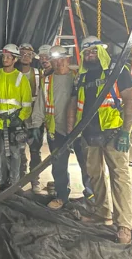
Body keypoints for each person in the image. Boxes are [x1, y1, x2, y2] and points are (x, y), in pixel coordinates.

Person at [68, 36, 132, 244]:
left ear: (101, 52)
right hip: (89, 135)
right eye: (86, 52)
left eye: (93, 51)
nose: (90, 55)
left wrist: (126, 132)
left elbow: (130, 102)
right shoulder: (81, 77)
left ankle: (123, 225)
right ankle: (101, 213)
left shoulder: (117, 73)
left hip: (113, 133)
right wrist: (72, 133)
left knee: (119, 178)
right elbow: (73, 105)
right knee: (94, 176)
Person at [32, 45, 91, 209]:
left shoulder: (78, 78)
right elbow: (40, 105)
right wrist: (35, 126)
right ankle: (61, 196)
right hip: (56, 130)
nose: (58, 63)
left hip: (80, 131)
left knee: (86, 164)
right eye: (54, 60)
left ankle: (91, 197)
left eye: (61, 59)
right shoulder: (47, 81)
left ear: (68, 59)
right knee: (59, 166)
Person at [0, 44, 32, 191]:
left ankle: (15, 182)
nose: (5, 59)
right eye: (4, 56)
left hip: (14, 122)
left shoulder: (21, 79)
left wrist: (21, 118)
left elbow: (27, 104)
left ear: (15, 59)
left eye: (9, 57)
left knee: (16, 153)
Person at [17, 43, 44, 193]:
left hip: (35, 118)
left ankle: (35, 181)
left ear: (33, 57)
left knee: (35, 151)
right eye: (22, 53)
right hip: (19, 117)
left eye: (28, 54)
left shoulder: (39, 74)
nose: (25, 56)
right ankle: (20, 180)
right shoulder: (12, 73)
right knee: (19, 150)